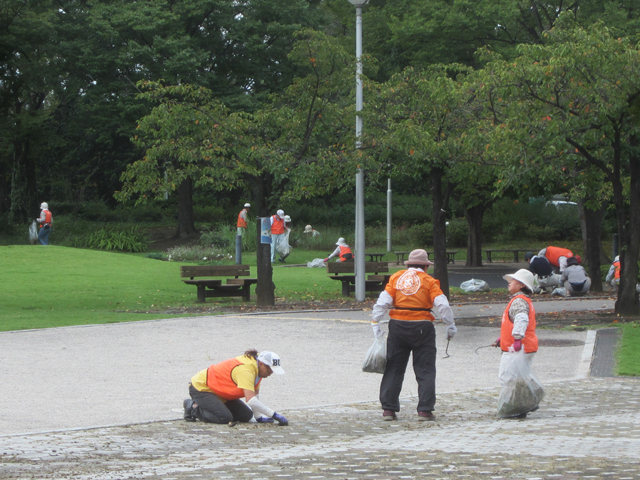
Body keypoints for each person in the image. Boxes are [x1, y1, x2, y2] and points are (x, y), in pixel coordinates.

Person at [371, 249, 457, 421]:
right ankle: (424, 410)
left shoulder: (396, 278)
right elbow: (443, 305)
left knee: (394, 367)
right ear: (425, 266)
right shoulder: (429, 281)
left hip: (398, 326)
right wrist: (450, 324)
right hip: (422, 326)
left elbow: (383, 302)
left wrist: (376, 322)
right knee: (425, 369)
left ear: (409, 264)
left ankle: (388, 409)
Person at [183, 349, 289, 425]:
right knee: (224, 417)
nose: (270, 373)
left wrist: (258, 417)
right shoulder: (246, 370)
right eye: (269, 370)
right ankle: (192, 407)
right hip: (201, 388)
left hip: (220, 392)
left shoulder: (258, 370)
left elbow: (255, 395)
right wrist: (273, 414)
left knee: (246, 416)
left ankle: (214, 406)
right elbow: (251, 400)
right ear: (261, 364)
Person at [492, 269, 540, 419]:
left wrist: (517, 338)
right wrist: (503, 338)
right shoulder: (524, 300)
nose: (509, 282)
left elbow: (521, 319)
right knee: (520, 377)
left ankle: (513, 408)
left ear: (520, 285)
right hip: (526, 345)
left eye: (512, 280)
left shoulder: (518, 301)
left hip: (518, 347)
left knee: (508, 377)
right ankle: (524, 404)